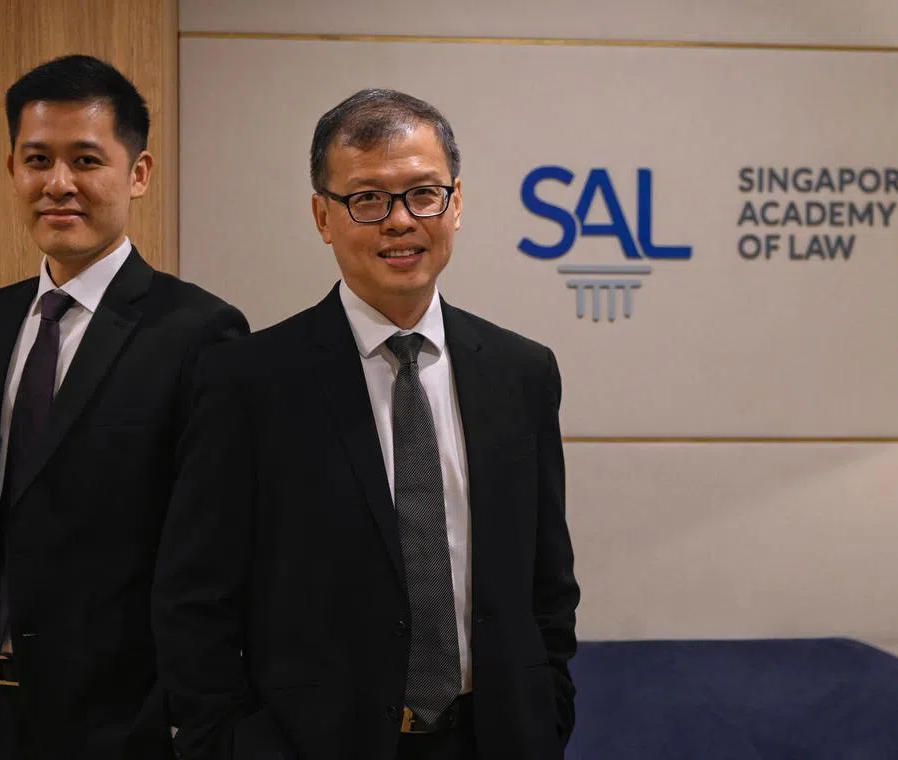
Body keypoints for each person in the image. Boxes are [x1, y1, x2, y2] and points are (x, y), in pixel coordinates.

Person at [153, 88, 580, 760]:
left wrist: (548, 707)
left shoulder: (521, 374)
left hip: (495, 738)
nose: (400, 222)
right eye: (368, 199)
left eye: (422, 194)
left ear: (457, 203)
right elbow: (193, 599)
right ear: (323, 216)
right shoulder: (247, 382)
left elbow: (548, 584)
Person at [0, 54, 249, 760]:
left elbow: (207, 553)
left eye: (86, 159)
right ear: (12, 170)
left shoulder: (199, 331)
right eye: (38, 159)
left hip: (115, 725)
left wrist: (175, 719)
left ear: (139, 173)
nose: (58, 184)